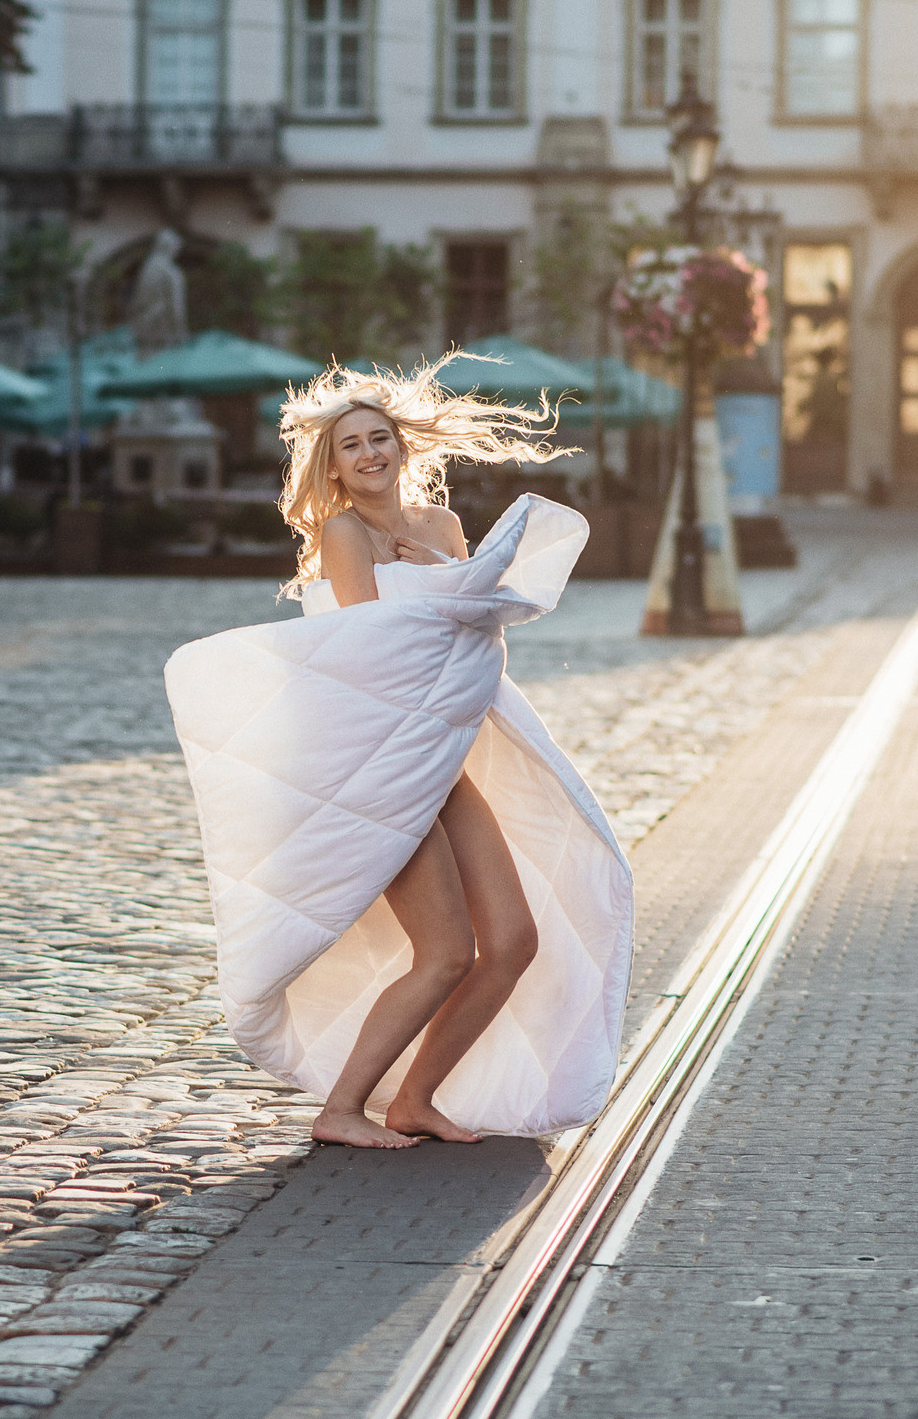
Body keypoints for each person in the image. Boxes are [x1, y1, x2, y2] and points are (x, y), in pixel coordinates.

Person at [165, 358, 635, 1148]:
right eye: (351, 445)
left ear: (402, 446)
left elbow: (474, 639)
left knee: (514, 941)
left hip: (446, 758)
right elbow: (375, 652)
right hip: (384, 765)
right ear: (334, 465)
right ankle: (341, 1108)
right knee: (447, 950)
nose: (370, 453)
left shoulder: (445, 530)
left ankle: (415, 1098)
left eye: (380, 437)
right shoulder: (344, 533)